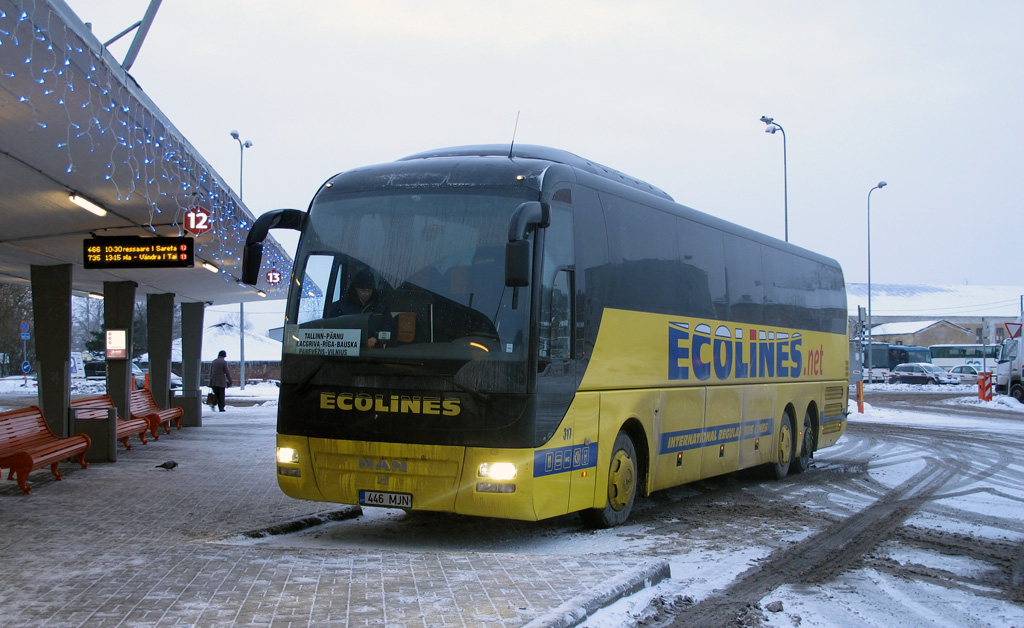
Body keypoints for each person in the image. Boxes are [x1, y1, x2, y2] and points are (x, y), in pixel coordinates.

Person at [329, 270, 390, 347]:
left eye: (369, 290)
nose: (367, 294)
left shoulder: (380, 307)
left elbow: (390, 327)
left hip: (375, 353)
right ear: (355, 288)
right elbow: (331, 331)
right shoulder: (339, 307)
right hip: (346, 351)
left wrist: (376, 337)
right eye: (363, 291)